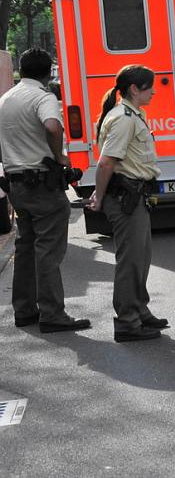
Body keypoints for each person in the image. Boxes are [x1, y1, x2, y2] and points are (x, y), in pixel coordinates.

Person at [0, 48, 90, 333]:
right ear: (48, 72)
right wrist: (60, 157)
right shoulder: (43, 97)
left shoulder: (4, 100)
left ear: (21, 69)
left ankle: (24, 310)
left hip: (16, 183)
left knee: (24, 248)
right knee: (48, 251)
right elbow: (52, 126)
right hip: (41, 184)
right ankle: (53, 314)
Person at [88, 65, 167, 342]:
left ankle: (139, 310)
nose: (154, 91)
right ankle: (127, 322)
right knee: (130, 262)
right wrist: (98, 196)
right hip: (125, 199)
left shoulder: (134, 114)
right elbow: (107, 161)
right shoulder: (123, 118)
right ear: (135, 89)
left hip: (135, 196)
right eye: (150, 87)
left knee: (140, 258)